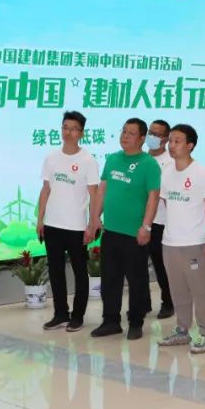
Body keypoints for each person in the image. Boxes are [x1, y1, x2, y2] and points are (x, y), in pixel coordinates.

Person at [88, 118, 161, 340]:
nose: (125, 136)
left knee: (136, 280)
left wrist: (146, 226)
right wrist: (95, 218)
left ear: (142, 138)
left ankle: (136, 322)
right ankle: (110, 321)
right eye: (124, 131)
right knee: (110, 279)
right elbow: (102, 189)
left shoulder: (149, 164)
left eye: (131, 133)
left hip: (135, 233)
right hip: (111, 230)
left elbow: (153, 197)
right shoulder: (112, 159)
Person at [37, 110, 100, 332]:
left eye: (73, 129)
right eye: (65, 127)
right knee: (55, 272)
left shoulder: (88, 160)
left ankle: (78, 316)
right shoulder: (51, 158)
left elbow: (94, 194)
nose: (68, 132)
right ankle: (60, 314)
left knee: (80, 272)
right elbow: (46, 189)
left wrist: (93, 223)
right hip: (53, 225)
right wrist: (40, 219)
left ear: (81, 133)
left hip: (76, 226)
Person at [158, 124, 205, 354]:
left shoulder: (202, 173)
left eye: (177, 141)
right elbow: (167, 202)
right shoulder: (166, 171)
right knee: (177, 289)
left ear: (190, 145)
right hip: (170, 242)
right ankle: (182, 330)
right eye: (170, 141)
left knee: (200, 290)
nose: (171, 145)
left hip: (195, 242)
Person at [146, 119, 176, 319]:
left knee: (161, 264)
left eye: (156, 134)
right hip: (138, 220)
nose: (151, 137)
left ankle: (168, 301)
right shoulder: (141, 158)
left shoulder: (170, 162)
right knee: (137, 265)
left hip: (161, 221)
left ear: (165, 139)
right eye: (150, 132)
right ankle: (143, 303)